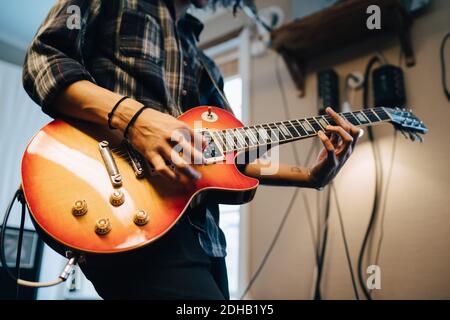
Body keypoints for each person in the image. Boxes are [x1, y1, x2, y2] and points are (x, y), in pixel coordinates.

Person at [23, 0, 361, 299]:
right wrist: (135, 119)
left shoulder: (206, 65)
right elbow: (45, 62)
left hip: (205, 236)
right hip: (126, 208)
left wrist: (310, 177)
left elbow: (230, 158)